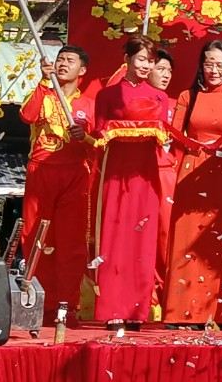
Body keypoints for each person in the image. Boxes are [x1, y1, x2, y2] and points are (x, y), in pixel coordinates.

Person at [162, 40, 222, 328]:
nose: (214, 70)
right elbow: (176, 130)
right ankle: (178, 311)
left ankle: (215, 314)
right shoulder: (188, 95)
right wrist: (190, 144)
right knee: (184, 241)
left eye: (220, 65)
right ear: (201, 65)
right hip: (191, 169)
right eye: (209, 63)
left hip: (221, 171)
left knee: (216, 244)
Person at [93, 35, 169, 331]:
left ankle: (137, 309)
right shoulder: (108, 95)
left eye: (150, 61)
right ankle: (113, 307)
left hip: (146, 174)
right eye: (140, 59)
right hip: (116, 173)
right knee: (115, 237)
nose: (145, 65)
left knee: (142, 237)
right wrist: (116, 130)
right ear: (126, 59)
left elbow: (163, 134)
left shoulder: (159, 97)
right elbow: (100, 133)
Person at [18, 45, 95, 326]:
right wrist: (42, 80)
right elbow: (27, 116)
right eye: (60, 59)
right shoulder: (45, 94)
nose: (63, 64)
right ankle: (40, 303)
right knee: (35, 238)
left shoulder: (88, 103)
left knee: (71, 243)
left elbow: (98, 142)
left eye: (70, 61)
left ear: (82, 70)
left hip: (74, 175)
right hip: (41, 173)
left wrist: (83, 137)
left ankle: (66, 305)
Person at [149, 49, 177, 309]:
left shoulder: (176, 104)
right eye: (161, 69)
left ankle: (166, 294)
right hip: (141, 174)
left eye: (169, 70)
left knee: (166, 237)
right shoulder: (134, 99)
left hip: (168, 173)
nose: (166, 75)